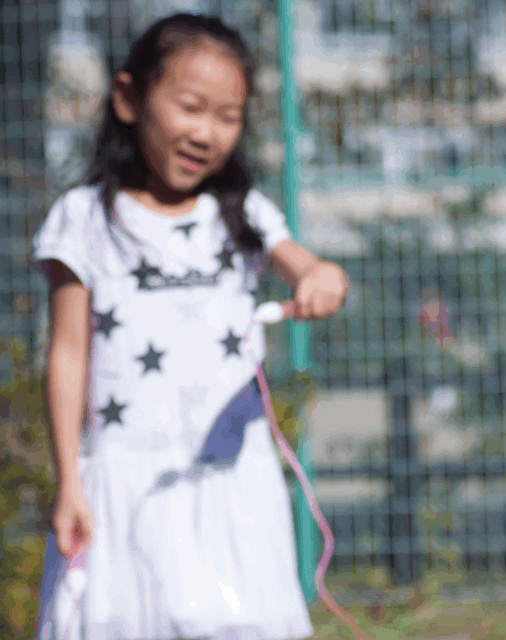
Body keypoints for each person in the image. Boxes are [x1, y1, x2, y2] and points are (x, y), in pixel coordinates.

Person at [33, 13, 348, 640]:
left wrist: (322, 280)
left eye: (227, 117)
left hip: (234, 480)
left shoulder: (245, 215)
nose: (207, 132)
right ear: (128, 98)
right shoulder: (83, 219)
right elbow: (68, 355)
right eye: (190, 107)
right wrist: (69, 479)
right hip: (123, 483)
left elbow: (317, 271)